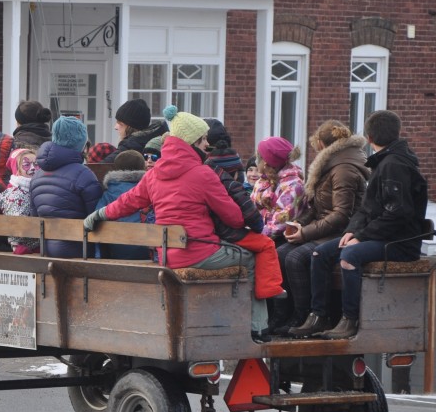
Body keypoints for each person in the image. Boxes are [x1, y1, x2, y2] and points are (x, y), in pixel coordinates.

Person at [84, 106, 269, 340]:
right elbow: (234, 217)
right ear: (191, 141)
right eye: (203, 140)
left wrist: (99, 214)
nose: (206, 145)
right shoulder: (202, 174)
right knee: (252, 258)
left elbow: (127, 202)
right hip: (200, 253)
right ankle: (257, 327)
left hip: (166, 255)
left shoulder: (153, 174)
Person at [303, 110, 428, 340]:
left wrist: (361, 236)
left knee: (350, 256)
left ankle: (350, 320)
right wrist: (352, 230)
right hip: (379, 236)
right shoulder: (382, 163)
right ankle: (319, 316)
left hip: (399, 242)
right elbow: (365, 209)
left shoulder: (394, 165)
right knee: (319, 253)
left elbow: (398, 214)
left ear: (369, 137)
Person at [266, 121, 370, 337]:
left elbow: (342, 216)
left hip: (338, 233)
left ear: (322, 145)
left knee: (295, 258)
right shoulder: (332, 165)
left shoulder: (343, 169)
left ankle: (309, 315)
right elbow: (316, 207)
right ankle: (289, 313)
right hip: (323, 229)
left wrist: (306, 233)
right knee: (279, 254)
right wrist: (299, 224)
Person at [205, 128, 286, 339]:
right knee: (266, 245)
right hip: (233, 234)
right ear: (235, 171)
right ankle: (271, 289)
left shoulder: (206, 184)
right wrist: (258, 227)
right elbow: (251, 217)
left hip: (216, 234)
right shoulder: (233, 186)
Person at [30, 116, 104, 258]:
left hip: (47, 250)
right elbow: (96, 216)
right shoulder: (84, 174)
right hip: (79, 250)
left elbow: (34, 217)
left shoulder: (37, 176)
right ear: (81, 144)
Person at [250, 136, 308, 246]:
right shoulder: (263, 179)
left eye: (258, 157)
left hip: (280, 238)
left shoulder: (293, 186)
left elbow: (279, 224)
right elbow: (251, 207)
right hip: (259, 232)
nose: (255, 161)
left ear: (266, 163)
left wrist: (252, 237)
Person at [96, 150, 151, 260]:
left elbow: (96, 221)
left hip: (117, 252)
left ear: (116, 169)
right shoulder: (149, 190)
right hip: (146, 251)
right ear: (143, 168)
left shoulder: (108, 194)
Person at [0, 148, 39, 255]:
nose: (33, 168)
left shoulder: (35, 188)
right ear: (17, 169)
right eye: (26, 165)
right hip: (25, 248)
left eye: (36, 164)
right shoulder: (15, 194)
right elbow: (16, 227)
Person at [102, 99, 169, 162]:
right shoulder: (163, 142)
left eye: (121, 124)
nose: (115, 127)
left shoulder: (130, 147)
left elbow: (100, 168)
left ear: (132, 127)